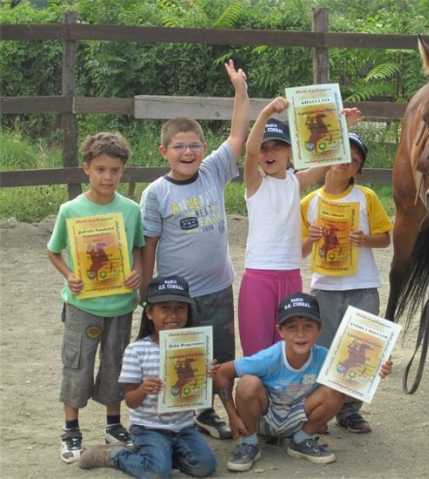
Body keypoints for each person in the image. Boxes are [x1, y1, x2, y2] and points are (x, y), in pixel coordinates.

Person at [139, 59, 249, 440]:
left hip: (218, 287)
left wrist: (240, 90)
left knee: (220, 355)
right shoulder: (155, 193)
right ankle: (189, 416)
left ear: (204, 148)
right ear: (163, 151)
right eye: (178, 147)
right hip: (177, 296)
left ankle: (217, 411)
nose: (187, 152)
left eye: (194, 145)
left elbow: (237, 135)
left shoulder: (215, 170)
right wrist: (146, 292)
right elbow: (149, 244)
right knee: (184, 358)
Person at [237, 97, 363, 356]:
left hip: (292, 275)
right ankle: (254, 396)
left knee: (289, 352)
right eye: (264, 148)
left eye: (277, 147)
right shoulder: (255, 182)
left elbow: (328, 159)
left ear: (291, 152)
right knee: (257, 351)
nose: (269, 153)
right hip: (259, 277)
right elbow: (249, 151)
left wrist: (341, 126)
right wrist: (266, 112)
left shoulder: (296, 182)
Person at [47, 132, 145, 463]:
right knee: (77, 364)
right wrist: (70, 276)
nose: (107, 177)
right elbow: (53, 251)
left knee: (116, 364)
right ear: (86, 168)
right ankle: (71, 430)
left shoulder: (131, 210)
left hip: (120, 305)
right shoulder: (70, 210)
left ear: (122, 172)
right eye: (101, 169)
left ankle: (113, 425)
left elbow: (137, 246)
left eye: (114, 170)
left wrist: (137, 274)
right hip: (82, 306)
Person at [214, 292, 393, 472]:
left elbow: (350, 396)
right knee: (247, 383)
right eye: (292, 327)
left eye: (308, 326)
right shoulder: (269, 357)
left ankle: (301, 440)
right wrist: (232, 416)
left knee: (335, 389)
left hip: (299, 419)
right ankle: (249, 443)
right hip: (263, 419)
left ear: (319, 329)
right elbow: (221, 373)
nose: (300, 334)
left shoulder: (326, 358)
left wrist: (373, 373)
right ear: (280, 331)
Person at [77, 275, 218, 478]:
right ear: (149, 313)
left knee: (205, 466)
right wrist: (143, 389)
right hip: (149, 428)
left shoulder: (195, 348)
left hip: (184, 427)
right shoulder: (137, 350)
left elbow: (204, 389)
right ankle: (115, 454)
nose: (173, 315)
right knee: (157, 474)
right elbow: (131, 402)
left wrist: (209, 375)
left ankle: (160, 455)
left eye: (180, 308)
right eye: (165, 308)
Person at [301, 132, 393, 434]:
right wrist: (309, 240)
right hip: (324, 287)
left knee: (360, 350)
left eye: (353, 160)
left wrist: (365, 239)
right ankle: (321, 408)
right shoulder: (309, 202)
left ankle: (350, 411)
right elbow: (299, 250)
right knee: (324, 350)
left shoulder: (366, 197)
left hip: (363, 286)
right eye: (341, 156)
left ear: (359, 170)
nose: (345, 163)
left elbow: (385, 238)